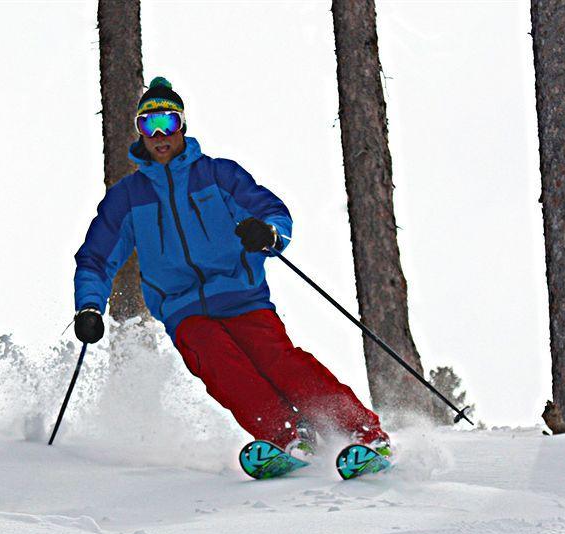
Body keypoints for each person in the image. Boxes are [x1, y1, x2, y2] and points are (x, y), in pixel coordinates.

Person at [73, 76, 390, 456]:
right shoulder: (127, 198)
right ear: (139, 133)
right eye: (148, 125)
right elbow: (96, 257)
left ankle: (363, 433)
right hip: (182, 307)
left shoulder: (218, 175)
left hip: (241, 294)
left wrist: (268, 234)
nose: (159, 135)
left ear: (183, 126)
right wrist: (89, 305)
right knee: (223, 368)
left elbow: (272, 212)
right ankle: (288, 436)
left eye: (168, 123)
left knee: (280, 362)